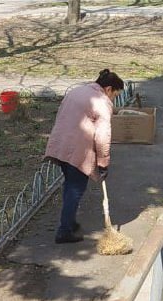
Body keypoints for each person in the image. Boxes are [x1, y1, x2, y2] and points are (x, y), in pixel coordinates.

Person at [44, 69, 124, 244]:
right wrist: (103, 163)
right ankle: (64, 231)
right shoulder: (102, 103)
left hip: (61, 144)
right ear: (108, 89)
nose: (113, 100)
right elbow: (103, 136)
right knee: (75, 188)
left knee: (70, 185)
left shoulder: (77, 90)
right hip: (78, 150)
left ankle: (69, 222)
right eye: (115, 95)